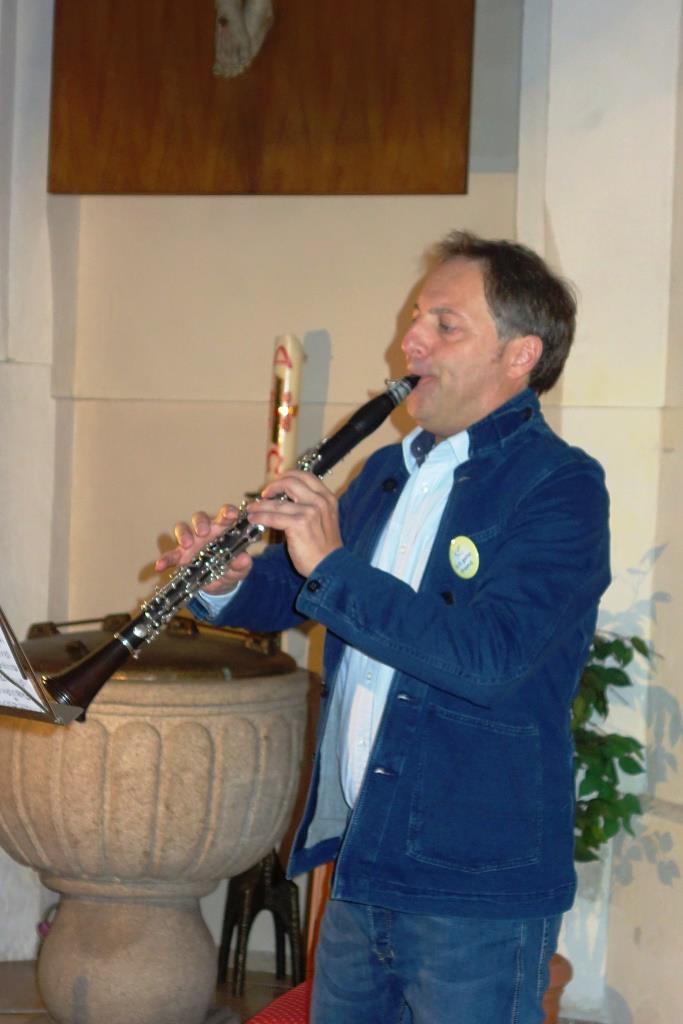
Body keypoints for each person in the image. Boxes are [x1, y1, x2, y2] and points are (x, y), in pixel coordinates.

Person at [155, 231, 611, 1024]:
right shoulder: (390, 470)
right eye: (414, 319)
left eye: (444, 324)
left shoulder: (559, 486)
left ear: (519, 355)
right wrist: (229, 582)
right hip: (364, 856)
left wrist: (330, 563)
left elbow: (488, 658)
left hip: (472, 883)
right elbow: (298, 593)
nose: (410, 342)